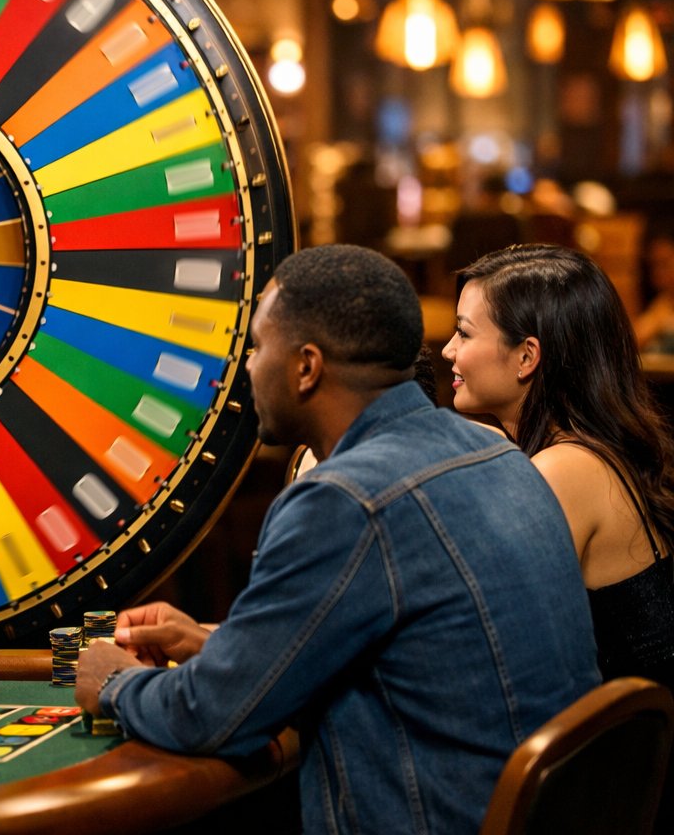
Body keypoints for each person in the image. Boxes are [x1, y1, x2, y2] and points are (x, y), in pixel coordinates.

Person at [76, 244, 599, 835]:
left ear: (306, 366)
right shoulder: (499, 452)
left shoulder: (342, 499)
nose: (245, 369)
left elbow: (212, 717)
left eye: (256, 348)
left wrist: (114, 682)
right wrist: (211, 646)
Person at [445, 244, 674, 689]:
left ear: (528, 357)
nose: (449, 351)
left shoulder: (564, 470)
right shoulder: (586, 450)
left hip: (600, 753)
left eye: (465, 334)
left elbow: (475, 632)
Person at [634, 225, 674, 354]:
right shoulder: (662, 304)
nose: (657, 275)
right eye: (653, 266)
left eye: (664, 264)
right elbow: (631, 342)